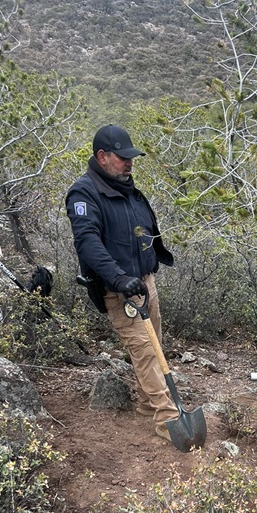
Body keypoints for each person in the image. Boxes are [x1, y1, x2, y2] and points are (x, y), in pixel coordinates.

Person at [66, 124, 178, 441]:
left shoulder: (124, 187)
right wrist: (118, 278)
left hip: (144, 282)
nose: (129, 163)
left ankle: (146, 403)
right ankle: (169, 419)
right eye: (122, 157)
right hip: (119, 290)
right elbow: (88, 243)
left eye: (131, 158)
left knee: (154, 345)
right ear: (102, 156)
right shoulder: (84, 193)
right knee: (144, 351)